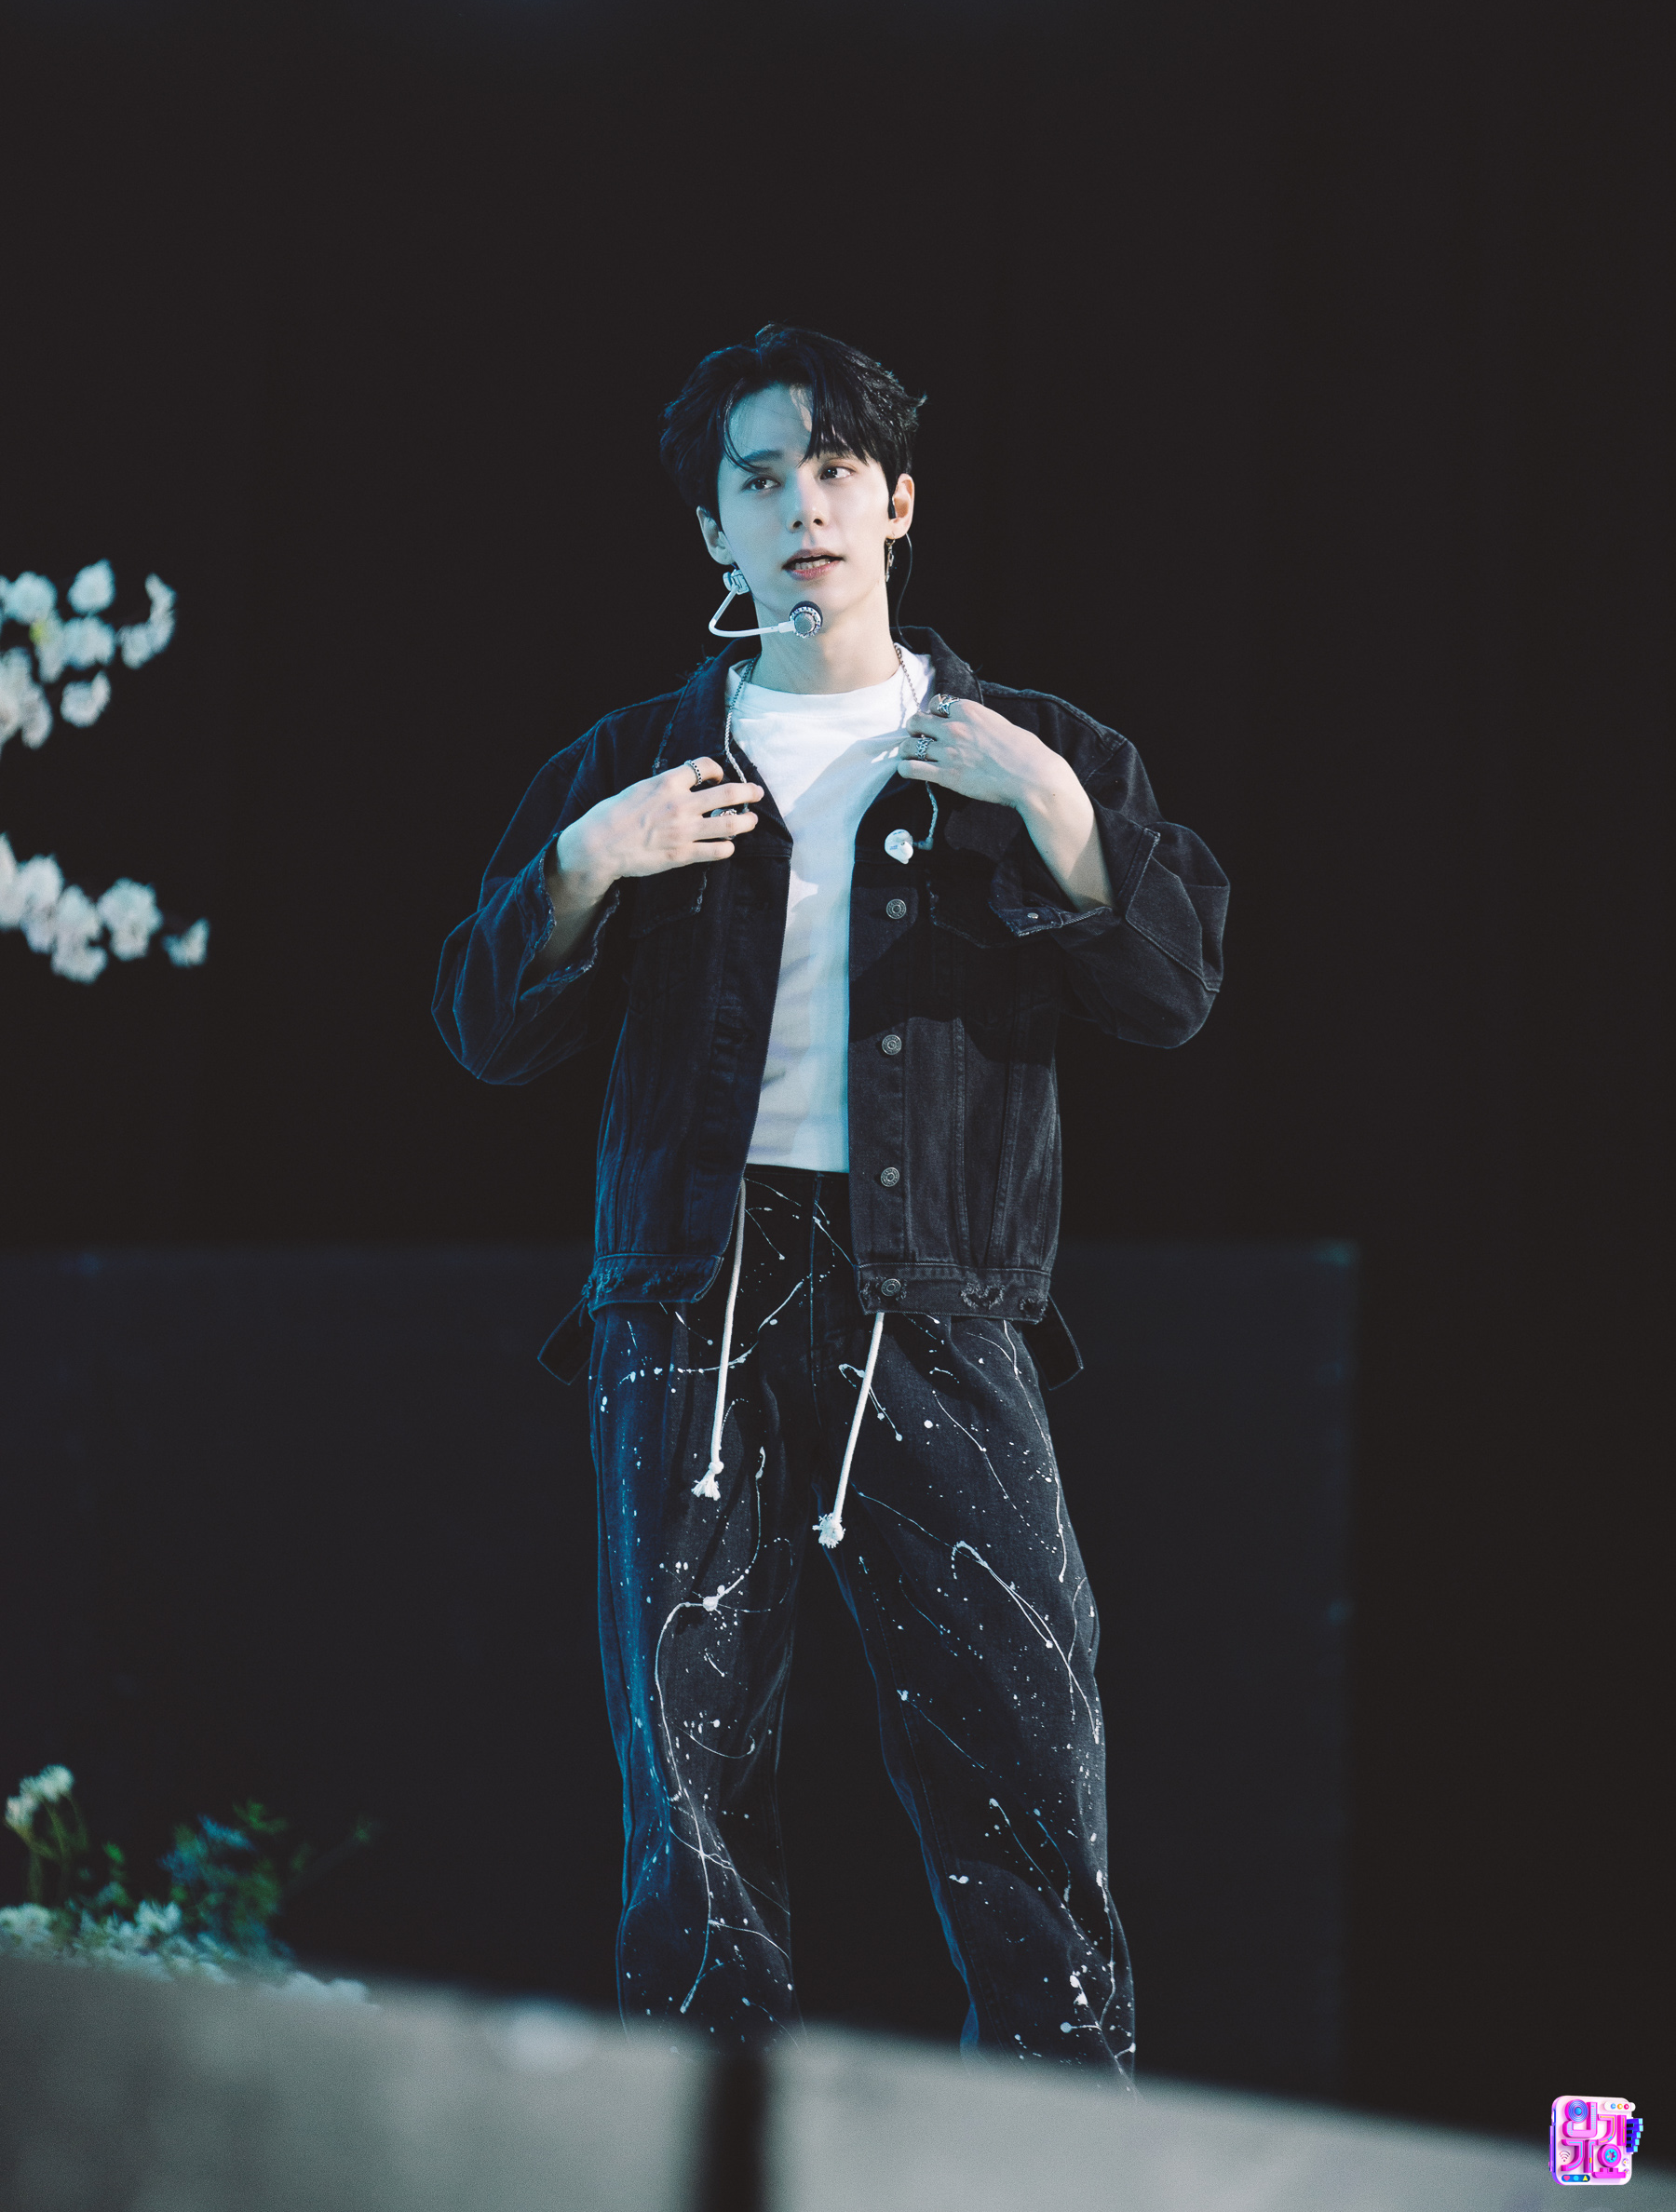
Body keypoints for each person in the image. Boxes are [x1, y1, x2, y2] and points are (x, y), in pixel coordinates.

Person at [433, 323, 1227, 2073]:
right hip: (690, 1293)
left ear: (898, 506)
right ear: (714, 530)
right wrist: (581, 868)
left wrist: (1059, 813)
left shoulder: (1025, 749)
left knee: (1023, 1738)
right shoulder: (641, 761)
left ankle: (1055, 2153)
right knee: (689, 1773)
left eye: (838, 470)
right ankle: (710, 2147)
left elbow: (1173, 991)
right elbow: (483, 1026)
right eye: (762, 478)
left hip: (930, 1293)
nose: (804, 506)